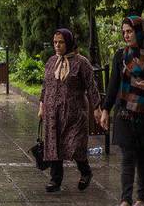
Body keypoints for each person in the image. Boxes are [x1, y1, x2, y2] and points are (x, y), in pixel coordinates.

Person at [100, 16, 144, 206]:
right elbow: (113, 85)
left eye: (130, 31)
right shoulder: (120, 55)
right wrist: (106, 109)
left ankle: (141, 198)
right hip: (124, 113)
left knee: (143, 158)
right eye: (124, 32)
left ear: (142, 32)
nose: (126, 35)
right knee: (127, 157)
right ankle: (125, 199)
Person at [38, 28, 101, 193]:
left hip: (74, 113)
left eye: (61, 42)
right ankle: (55, 180)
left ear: (69, 43)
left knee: (75, 145)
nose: (57, 46)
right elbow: (45, 86)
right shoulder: (51, 61)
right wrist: (41, 106)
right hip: (52, 112)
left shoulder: (81, 62)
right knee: (54, 144)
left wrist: (97, 108)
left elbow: (91, 87)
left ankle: (86, 172)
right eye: (55, 42)